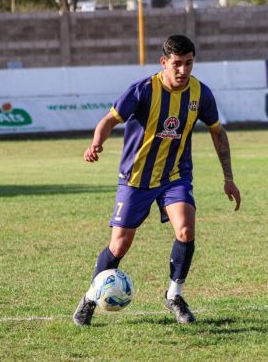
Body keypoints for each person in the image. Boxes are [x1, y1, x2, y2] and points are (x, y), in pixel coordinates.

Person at [73, 35, 242, 326]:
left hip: (175, 176)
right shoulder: (142, 90)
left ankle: (174, 295)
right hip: (136, 178)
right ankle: (90, 298)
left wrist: (229, 177)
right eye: (177, 64)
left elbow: (218, 132)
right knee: (119, 246)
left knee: (186, 230)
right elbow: (109, 120)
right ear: (164, 62)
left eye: (189, 63)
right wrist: (96, 143)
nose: (183, 70)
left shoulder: (201, 94)